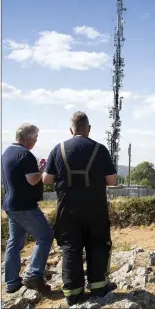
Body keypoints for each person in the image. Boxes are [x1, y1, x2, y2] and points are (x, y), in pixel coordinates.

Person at [43, 111, 117, 305]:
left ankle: (73, 293)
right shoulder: (99, 149)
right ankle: (98, 288)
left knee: (70, 249)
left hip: (67, 209)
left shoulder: (57, 149)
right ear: (89, 129)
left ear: (71, 130)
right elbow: (112, 180)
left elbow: (47, 179)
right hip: (95, 209)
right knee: (98, 244)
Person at [1, 123, 54, 294]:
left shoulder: (6, 153)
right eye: (36, 138)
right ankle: (33, 273)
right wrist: (42, 168)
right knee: (46, 235)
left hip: (10, 204)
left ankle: (11, 282)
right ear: (29, 138)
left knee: (15, 241)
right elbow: (32, 180)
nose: (36, 142)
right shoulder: (26, 155)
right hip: (25, 206)